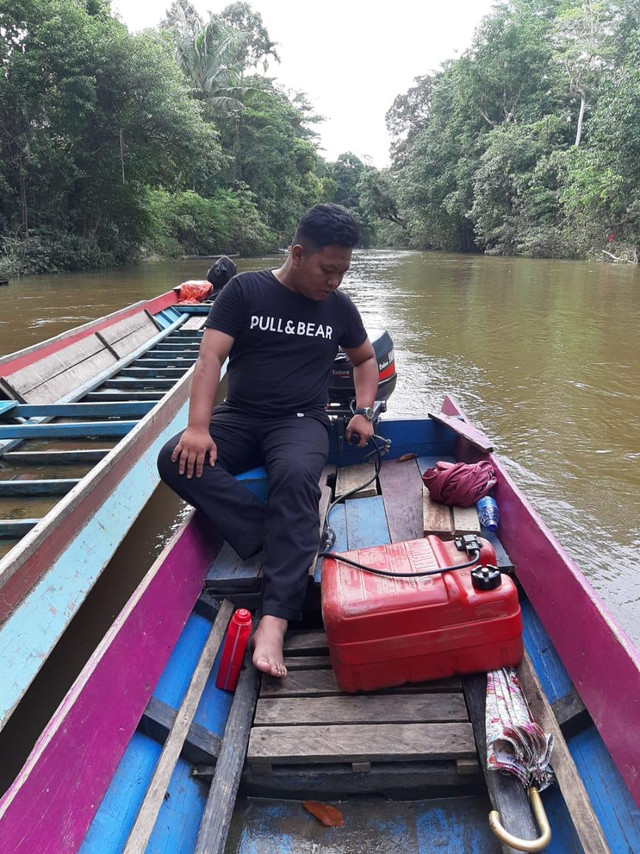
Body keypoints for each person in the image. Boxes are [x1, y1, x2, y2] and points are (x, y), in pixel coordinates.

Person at [157, 204, 378, 677]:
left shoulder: (339, 308)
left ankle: (275, 620)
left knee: (298, 478)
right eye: (328, 269)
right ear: (298, 253)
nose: (335, 281)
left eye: (344, 271)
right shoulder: (245, 290)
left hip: (300, 421)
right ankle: (276, 533)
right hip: (239, 416)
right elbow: (210, 357)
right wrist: (197, 428)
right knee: (174, 458)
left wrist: (363, 412)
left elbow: (364, 360)